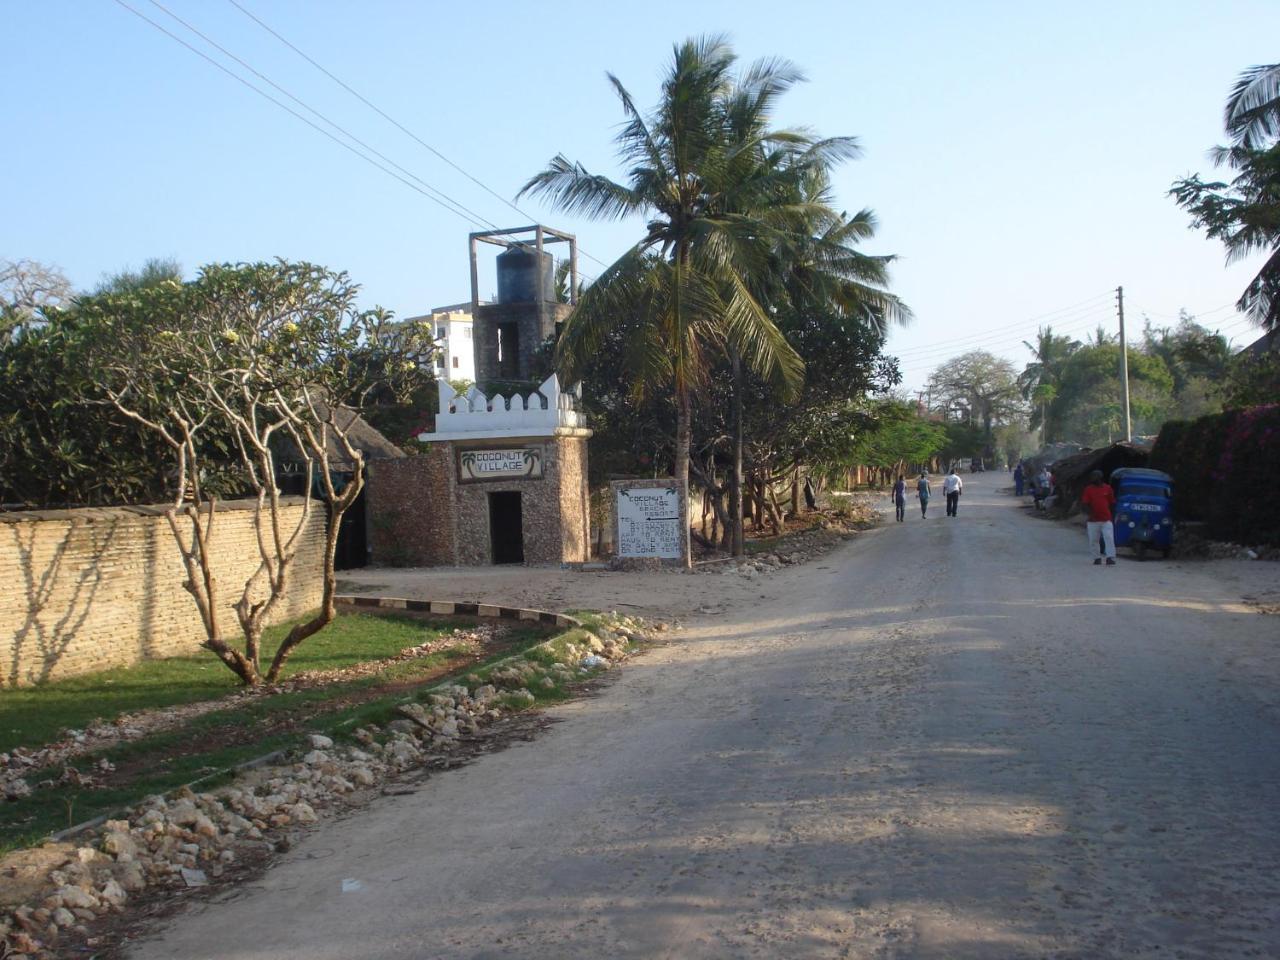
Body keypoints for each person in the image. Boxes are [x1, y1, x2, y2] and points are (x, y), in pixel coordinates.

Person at [1080, 469, 1117, 565]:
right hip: (1093, 520)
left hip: (1106, 519)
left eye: (1094, 476)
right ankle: (1097, 558)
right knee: (1093, 540)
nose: (1092, 478)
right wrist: (1090, 514)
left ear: (1100, 478)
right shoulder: (1088, 489)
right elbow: (1085, 503)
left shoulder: (1108, 489)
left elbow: (1112, 503)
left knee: (1109, 538)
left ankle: (1110, 557)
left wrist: (1112, 515)